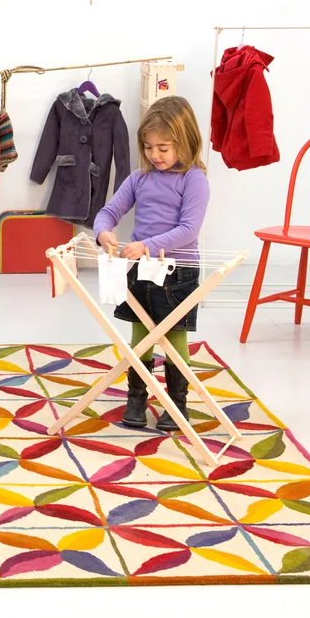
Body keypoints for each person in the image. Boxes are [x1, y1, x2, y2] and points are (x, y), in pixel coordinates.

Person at [93, 96, 209, 432]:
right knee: (140, 333)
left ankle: (177, 403)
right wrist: (103, 233)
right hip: (139, 270)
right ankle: (137, 398)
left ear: (186, 142)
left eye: (163, 148)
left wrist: (146, 246)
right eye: (148, 147)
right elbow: (108, 212)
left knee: (174, 336)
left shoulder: (194, 180)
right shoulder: (139, 178)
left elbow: (188, 230)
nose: (154, 155)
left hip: (177, 272)